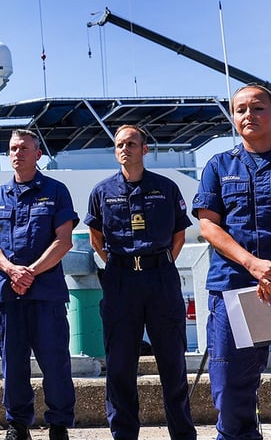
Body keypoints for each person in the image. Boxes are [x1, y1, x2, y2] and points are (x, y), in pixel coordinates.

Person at [85, 125, 196, 440]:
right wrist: (120, 265)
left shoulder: (167, 187)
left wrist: (157, 264)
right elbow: (96, 238)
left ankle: (183, 434)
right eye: (120, 144)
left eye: (131, 143)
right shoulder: (101, 191)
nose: (125, 149)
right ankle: (123, 433)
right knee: (119, 365)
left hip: (160, 278)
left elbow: (178, 234)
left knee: (172, 362)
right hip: (120, 280)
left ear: (144, 149)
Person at [0, 129, 77, 440]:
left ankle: (59, 425)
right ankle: (18, 426)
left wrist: (29, 272)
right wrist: (11, 270)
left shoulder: (56, 191)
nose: (17, 153)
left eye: (23, 148)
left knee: (55, 363)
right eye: (12, 149)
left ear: (38, 154)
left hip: (45, 295)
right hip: (9, 295)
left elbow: (64, 242)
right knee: (13, 364)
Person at [193, 83, 271, 440]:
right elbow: (209, 225)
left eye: (257, 108)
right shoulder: (219, 165)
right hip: (240, 291)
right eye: (240, 110)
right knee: (233, 389)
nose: (248, 115)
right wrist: (254, 264)